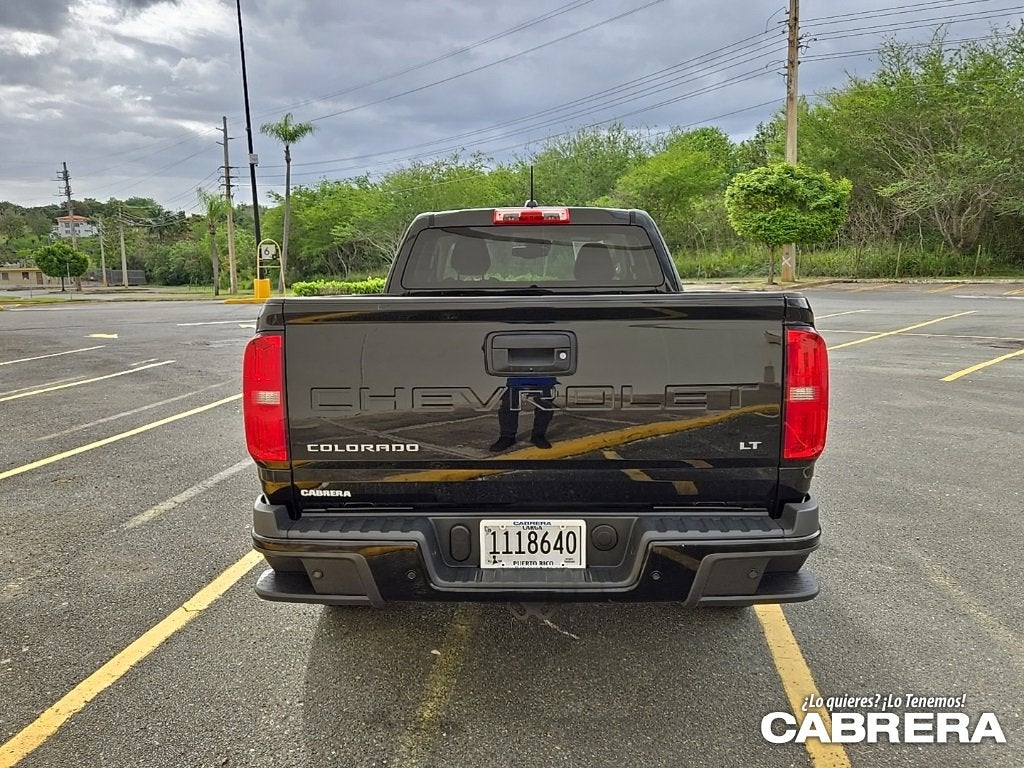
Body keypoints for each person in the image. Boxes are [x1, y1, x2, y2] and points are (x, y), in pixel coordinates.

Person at [490, 376, 556, 451]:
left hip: (544, 380)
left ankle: (538, 435)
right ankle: (507, 437)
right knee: (509, 403)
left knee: (545, 405)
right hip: (517, 379)